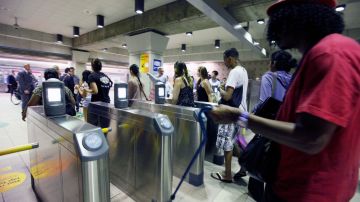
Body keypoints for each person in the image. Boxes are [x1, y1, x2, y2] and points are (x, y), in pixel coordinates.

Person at [210, 0, 360, 201]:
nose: (275, 29)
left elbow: (312, 138)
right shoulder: (327, 51)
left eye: (282, 18)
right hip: (307, 185)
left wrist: (240, 117)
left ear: (302, 17)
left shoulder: (329, 53)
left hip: (306, 191)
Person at [248, 50, 297, 201]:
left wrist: (252, 115)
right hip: (286, 128)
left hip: (269, 126)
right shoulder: (293, 79)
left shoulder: (269, 77)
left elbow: (264, 101)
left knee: (259, 156)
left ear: (274, 63)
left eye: (270, 61)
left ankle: (256, 192)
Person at [211, 48, 248, 183]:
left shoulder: (234, 72)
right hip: (242, 111)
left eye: (225, 60)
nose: (225, 63)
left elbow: (228, 96)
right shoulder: (243, 71)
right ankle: (244, 166)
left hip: (232, 113)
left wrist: (217, 89)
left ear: (230, 58)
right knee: (235, 141)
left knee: (227, 144)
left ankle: (227, 175)